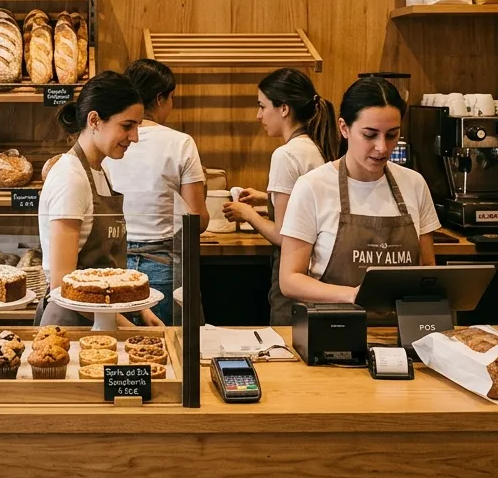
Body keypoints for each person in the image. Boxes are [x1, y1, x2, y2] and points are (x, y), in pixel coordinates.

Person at [279, 76, 439, 303]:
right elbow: (290, 279)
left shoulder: (414, 183)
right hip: (336, 327)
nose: (382, 147)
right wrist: (354, 295)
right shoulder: (312, 187)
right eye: (369, 135)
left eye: (392, 135)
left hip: (402, 329)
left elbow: (427, 269)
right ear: (344, 128)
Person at [36, 71, 158, 326]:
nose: (134, 137)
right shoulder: (70, 178)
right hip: (72, 323)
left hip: (101, 318)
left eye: (138, 126)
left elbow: (107, 269)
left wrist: (141, 310)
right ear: (94, 120)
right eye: (127, 126)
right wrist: (126, 326)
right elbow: (62, 283)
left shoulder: (100, 171)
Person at [222, 68, 338, 324]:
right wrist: (267, 198)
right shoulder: (316, 146)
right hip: (319, 268)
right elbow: (310, 206)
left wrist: (247, 213)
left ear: (284, 108)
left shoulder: (286, 155)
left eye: (262, 106)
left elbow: (284, 236)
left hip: (293, 273)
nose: (258, 115)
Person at [103, 59, 206, 324]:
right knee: (166, 353)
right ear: (160, 99)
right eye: (172, 98)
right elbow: (198, 219)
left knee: (120, 355)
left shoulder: (108, 141)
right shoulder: (181, 143)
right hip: (163, 265)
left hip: (114, 265)